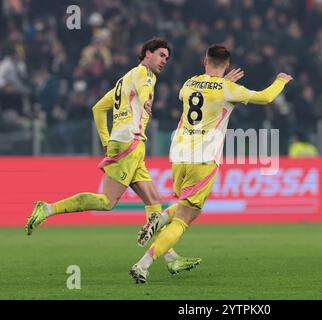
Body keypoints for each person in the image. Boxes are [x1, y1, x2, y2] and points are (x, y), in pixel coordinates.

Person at [25, 38, 200, 274]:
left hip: (129, 144)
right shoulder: (144, 74)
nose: (164, 61)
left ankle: (170, 258)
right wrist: (148, 99)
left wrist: (106, 140)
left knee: (154, 202)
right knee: (107, 201)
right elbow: (145, 88)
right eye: (160, 55)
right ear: (147, 53)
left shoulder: (124, 79)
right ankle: (47, 208)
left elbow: (98, 108)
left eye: (166, 58)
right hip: (130, 142)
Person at [129, 44, 293, 284]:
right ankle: (143, 264)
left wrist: (218, 83)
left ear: (205, 60)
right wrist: (280, 80)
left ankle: (160, 219)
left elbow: (201, 94)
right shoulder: (228, 88)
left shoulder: (189, 84)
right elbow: (265, 97)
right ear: (226, 64)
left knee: (186, 205)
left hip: (179, 154)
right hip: (203, 158)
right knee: (186, 216)